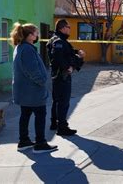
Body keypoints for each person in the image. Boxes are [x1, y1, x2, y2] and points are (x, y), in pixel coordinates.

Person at [11, 23, 58, 154]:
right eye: (36, 33)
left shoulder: (21, 47)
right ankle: (40, 143)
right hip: (32, 91)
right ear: (30, 35)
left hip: (25, 91)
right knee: (40, 115)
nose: (38, 35)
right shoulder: (27, 49)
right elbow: (32, 70)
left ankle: (24, 141)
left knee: (25, 115)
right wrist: (42, 81)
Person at [47, 19, 85, 136]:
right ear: (62, 28)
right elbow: (58, 56)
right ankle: (62, 127)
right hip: (62, 76)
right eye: (68, 27)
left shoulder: (57, 40)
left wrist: (77, 51)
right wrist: (68, 67)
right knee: (63, 102)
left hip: (56, 75)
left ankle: (54, 123)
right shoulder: (59, 41)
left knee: (57, 101)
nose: (69, 29)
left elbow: (67, 51)